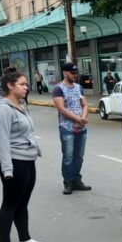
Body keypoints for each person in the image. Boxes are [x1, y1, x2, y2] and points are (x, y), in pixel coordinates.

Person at [0, 67, 49, 242]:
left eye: (26, 84)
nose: (26, 87)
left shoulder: (20, 105)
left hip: (27, 159)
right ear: (10, 85)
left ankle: (25, 239)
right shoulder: (2, 109)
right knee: (10, 203)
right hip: (14, 162)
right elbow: (3, 141)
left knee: (23, 202)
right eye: (22, 84)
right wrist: (8, 170)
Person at [52, 63, 91, 194]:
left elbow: (84, 104)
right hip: (67, 128)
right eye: (72, 73)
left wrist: (83, 117)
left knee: (79, 156)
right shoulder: (58, 88)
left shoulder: (79, 87)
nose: (75, 75)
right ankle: (68, 182)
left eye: (76, 73)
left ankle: (76, 179)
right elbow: (61, 109)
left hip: (81, 127)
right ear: (65, 73)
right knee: (68, 157)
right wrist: (77, 119)